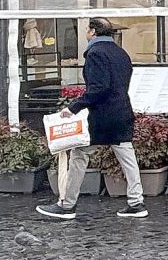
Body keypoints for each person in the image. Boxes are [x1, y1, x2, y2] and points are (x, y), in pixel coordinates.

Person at [37, 18, 148, 220]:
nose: (86, 33)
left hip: (102, 116)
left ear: (93, 32)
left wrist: (74, 107)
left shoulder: (95, 53)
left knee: (79, 154)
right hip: (123, 111)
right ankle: (136, 202)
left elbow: (99, 88)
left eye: (87, 29)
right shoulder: (121, 53)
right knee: (127, 157)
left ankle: (67, 205)